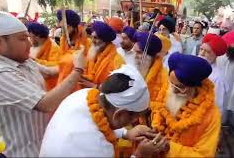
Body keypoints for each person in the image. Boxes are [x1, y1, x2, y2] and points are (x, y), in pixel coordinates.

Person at [0, 11, 86, 157]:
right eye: (23, 39)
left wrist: (72, 59)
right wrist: (78, 69)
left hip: (39, 145)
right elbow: (46, 104)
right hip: (17, 152)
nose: (30, 43)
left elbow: (50, 72)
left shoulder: (20, 59)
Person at [40, 65, 169, 157]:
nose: (134, 122)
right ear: (119, 114)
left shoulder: (83, 95)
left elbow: (100, 123)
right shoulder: (99, 150)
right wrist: (139, 154)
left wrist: (126, 133)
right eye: (134, 118)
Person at [150, 52, 221, 157]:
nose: (173, 91)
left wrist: (170, 147)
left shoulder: (211, 116)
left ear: (195, 87)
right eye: (172, 84)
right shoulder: (165, 92)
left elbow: (204, 154)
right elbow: (156, 116)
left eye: (180, 87)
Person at [79, 21, 125, 89]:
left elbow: (119, 86)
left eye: (96, 38)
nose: (92, 41)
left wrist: (95, 86)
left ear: (105, 40)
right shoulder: (94, 53)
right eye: (92, 37)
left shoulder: (117, 60)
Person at [198, 34, 228, 113]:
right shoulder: (195, 67)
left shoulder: (217, 77)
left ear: (215, 55)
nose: (201, 53)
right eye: (201, 49)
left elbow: (217, 105)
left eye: (207, 51)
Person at [27, 22, 60, 90]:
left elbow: (57, 65)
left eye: (30, 36)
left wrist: (36, 61)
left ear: (37, 36)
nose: (29, 38)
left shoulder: (53, 47)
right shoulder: (31, 45)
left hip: (49, 87)